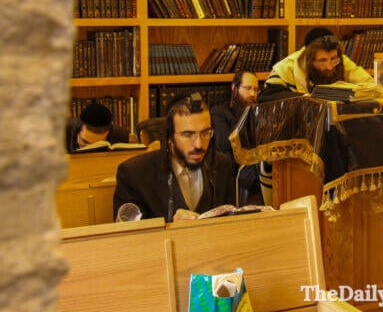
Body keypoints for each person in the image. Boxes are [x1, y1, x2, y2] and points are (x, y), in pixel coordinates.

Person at [113, 93, 235, 222]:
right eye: (188, 134)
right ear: (169, 137)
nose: (199, 144)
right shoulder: (134, 174)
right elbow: (127, 236)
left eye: (205, 133)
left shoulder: (222, 164)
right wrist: (171, 225)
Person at [258, 27, 372, 103]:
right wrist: (307, 99)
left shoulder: (340, 61)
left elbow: (369, 85)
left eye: (333, 59)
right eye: (322, 60)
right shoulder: (285, 68)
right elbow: (266, 97)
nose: (330, 66)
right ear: (309, 60)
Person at [211, 70, 261, 204]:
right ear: (234, 87)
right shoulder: (219, 112)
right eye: (248, 88)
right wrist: (244, 115)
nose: (252, 94)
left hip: (257, 163)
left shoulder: (258, 112)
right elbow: (224, 144)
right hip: (234, 167)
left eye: (256, 90)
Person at [65, 102, 132, 153]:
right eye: (85, 142)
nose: (90, 149)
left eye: (97, 145)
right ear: (80, 130)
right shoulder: (63, 133)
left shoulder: (120, 136)